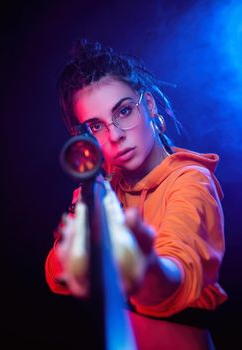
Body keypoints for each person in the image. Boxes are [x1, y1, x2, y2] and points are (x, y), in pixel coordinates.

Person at [44, 39, 227, 349]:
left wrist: (148, 269)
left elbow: (176, 270)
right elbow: (56, 277)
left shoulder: (190, 181)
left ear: (150, 105)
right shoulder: (104, 187)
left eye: (124, 111)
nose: (115, 135)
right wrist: (80, 221)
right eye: (96, 126)